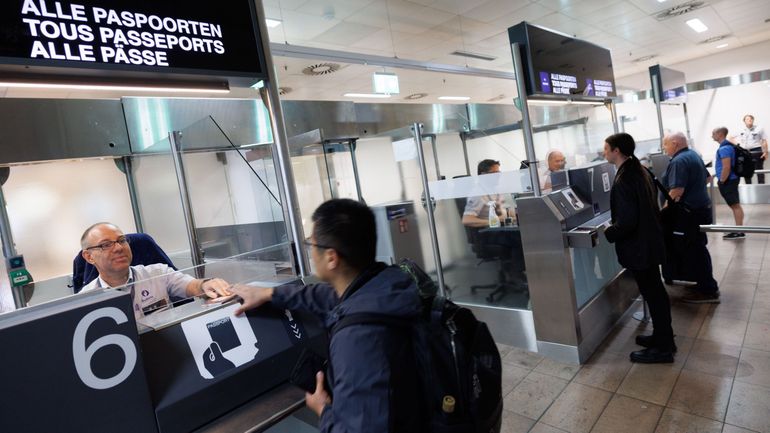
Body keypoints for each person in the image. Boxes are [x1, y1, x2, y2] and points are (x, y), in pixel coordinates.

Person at [230, 199, 424, 433]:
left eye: (312, 244)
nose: (311, 251)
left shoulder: (357, 340)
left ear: (331, 257)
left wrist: (324, 410)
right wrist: (269, 293)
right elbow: (324, 295)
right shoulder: (386, 284)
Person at [603, 133, 675, 363]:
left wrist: (609, 232)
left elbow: (627, 220)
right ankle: (663, 337)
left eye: (606, 149)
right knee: (656, 293)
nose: (604, 152)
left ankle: (663, 348)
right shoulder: (639, 169)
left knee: (654, 294)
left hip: (640, 248)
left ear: (616, 151)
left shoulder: (625, 178)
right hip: (650, 242)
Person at [80, 222, 232, 318]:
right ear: (89, 257)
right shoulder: (83, 301)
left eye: (122, 240)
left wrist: (205, 285)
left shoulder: (158, 273)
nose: (119, 248)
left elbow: (191, 285)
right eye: (106, 245)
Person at [661, 132, 720, 304]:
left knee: (694, 250)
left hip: (689, 214)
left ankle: (708, 289)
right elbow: (707, 178)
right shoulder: (693, 154)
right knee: (697, 248)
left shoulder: (679, 161)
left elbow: (676, 192)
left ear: (675, 143)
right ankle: (704, 284)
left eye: (665, 145)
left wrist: (663, 213)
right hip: (699, 209)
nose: (664, 148)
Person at [713, 127, 745, 239]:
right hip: (731, 179)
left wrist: (722, 181)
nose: (712, 136)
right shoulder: (727, 146)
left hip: (729, 180)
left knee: (735, 206)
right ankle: (739, 230)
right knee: (735, 205)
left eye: (713, 133)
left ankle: (740, 231)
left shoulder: (724, 148)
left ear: (720, 134)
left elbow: (726, 167)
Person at [462, 159, 513, 228]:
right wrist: (496, 220)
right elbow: (467, 220)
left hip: (504, 227)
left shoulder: (495, 190)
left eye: (498, 173)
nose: (498, 176)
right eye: (494, 173)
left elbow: (504, 210)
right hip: (492, 233)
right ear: (483, 175)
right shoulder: (477, 194)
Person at [731, 114, 768, 184]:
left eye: (751, 119)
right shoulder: (740, 130)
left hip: (756, 150)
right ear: (744, 121)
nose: (749, 120)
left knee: (759, 170)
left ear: (753, 120)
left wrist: (765, 152)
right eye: (747, 119)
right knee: (746, 170)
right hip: (745, 152)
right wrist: (738, 145)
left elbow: (764, 140)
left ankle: (761, 186)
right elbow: (730, 138)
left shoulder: (759, 128)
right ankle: (748, 186)